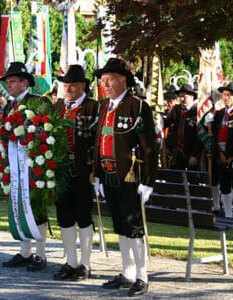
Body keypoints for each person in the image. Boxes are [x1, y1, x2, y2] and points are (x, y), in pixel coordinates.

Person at [93, 58, 158, 297]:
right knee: (120, 226)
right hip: (108, 175)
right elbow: (98, 142)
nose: (105, 84)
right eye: (102, 80)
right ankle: (127, 272)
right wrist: (97, 175)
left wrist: (149, 181)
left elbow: (149, 146)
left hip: (131, 176)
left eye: (109, 79)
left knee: (134, 227)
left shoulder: (137, 107)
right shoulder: (103, 107)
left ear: (124, 80)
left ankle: (142, 276)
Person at [0, 61, 51, 272]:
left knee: (36, 208)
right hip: (14, 164)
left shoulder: (39, 101)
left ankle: (40, 254)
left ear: (24, 83)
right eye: (8, 82)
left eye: (13, 81)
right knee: (19, 205)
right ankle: (24, 251)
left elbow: (44, 132)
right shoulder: (8, 106)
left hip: (33, 163)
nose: (9, 85)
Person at [52, 64, 98, 281]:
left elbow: (98, 142)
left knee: (83, 214)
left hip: (82, 170)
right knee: (64, 214)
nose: (68, 88)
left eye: (73, 84)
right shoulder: (58, 107)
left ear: (83, 86)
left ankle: (85, 264)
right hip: (60, 170)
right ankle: (70, 261)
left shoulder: (93, 107)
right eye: (66, 84)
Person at [164, 84, 203, 170]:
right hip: (177, 152)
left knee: (192, 178)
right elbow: (166, 123)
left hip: (191, 151)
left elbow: (200, 136)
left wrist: (195, 155)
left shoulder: (197, 111)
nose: (181, 99)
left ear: (192, 97)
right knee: (176, 178)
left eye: (184, 96)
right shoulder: (176, 110)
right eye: (180, 96)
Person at [211, 82, 233, 217]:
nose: (226, 98)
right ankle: (228, 214)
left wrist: (230, 156)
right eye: (224, 95)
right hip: (220, 152)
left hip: (231, 153)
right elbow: (214, 134)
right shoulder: (219, 114)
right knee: (224, 183)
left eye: (229, 95)